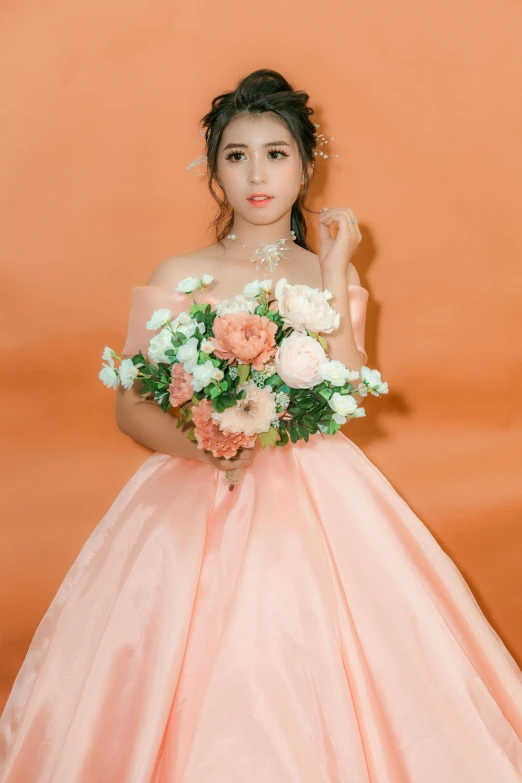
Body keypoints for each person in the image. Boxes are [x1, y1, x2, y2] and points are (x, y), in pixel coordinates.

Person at [1, 68, 521, 783]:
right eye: (237, 154)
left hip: (316, 495)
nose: (257, 173)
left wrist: (338, 269)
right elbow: (130, 405)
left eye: (276, 153)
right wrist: (210, 448)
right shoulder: (181, 272)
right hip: (192, 493)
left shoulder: (323, 273)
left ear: (308, 166)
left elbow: (345, 394)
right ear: (213, 169)